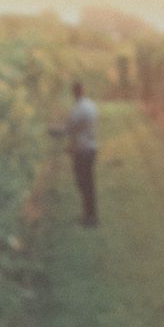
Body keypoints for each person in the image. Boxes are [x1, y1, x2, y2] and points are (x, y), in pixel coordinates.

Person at [55, 82, 102, 228]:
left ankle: (90, 217)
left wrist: (53, 131)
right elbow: (81, 128)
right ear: (83, 90)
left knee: (83, 183)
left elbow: (69, 129)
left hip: (82, 151)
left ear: (74, 92)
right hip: (91, 148)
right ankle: (90, 215)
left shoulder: (77, 109)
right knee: (88, 184)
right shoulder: (91, 105)